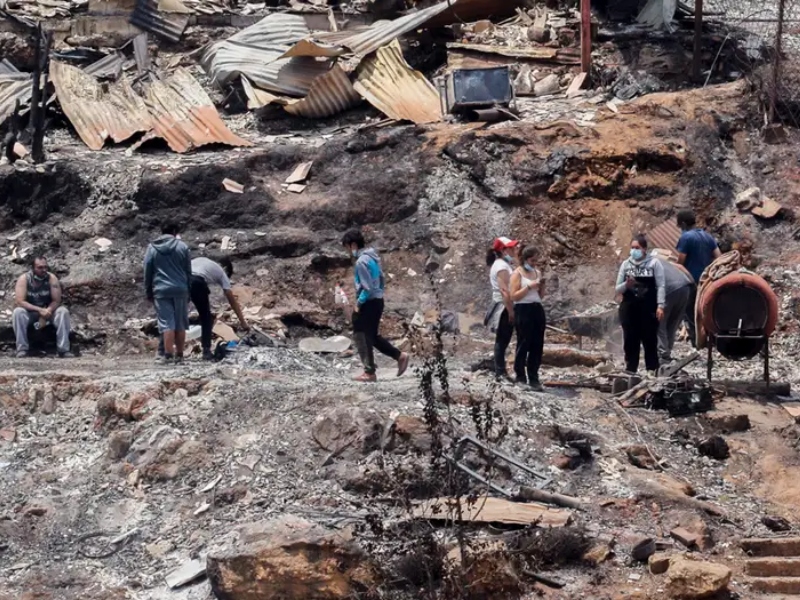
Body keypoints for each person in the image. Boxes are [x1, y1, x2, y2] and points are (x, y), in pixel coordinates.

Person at [341, 229, 409, 382]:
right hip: (377, 301)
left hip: (368, 302)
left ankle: (369, 372)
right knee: (372, 336)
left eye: (347, 247)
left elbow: (367, 287)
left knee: (361, 335)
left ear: (353, 245)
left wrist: (359, 303)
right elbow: (381, 279)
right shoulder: (372, 258)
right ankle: (399, 356)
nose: (347, 251)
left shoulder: (361, 262)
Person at [157, 256, 250, 360]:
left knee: (173, 316)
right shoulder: (221, 271)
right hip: (196, 281)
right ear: (225, 268)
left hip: (178, 280)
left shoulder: (200, 260)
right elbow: (232, 301)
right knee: (206, 317)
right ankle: (206, 351)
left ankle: (162, 351)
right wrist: (243, 323)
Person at [615, 235, 665, 374]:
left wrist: (661, 305)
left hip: (648, 308)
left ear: (644, 249)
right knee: (630, 340)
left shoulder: (654, 264)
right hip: (629, 309)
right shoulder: (626, 265)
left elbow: (661, 286)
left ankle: (652, 370)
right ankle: (630, 370)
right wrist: (627, 284)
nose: (634, 251)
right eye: (632, 248)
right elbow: (618, 289)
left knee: (649, 340)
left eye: (637, 248)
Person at [144, 223, 192, 363]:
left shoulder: (152, 248)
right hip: (180, 289)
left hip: (161, 290)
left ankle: (168, 355)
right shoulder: (182, 247)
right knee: (180, 323)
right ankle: (180, 355)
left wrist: (148, 290)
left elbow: (148, 270)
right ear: (174, 231)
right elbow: (188, 271)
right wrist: (188, 289)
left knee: (167, 323)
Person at [675, 209, 721, 346]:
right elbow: (719, 257)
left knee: (690, 311)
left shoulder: (686, 238)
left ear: (683, 224)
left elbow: (681, 262)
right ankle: (712, 338)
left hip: (691, 281)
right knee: (708, 309)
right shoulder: (708, 236)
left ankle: (697, 341)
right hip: (708, 281)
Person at [13, 256, 73, 358]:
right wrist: (39, 310)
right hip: (31, 312)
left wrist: (48, 310)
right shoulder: (24, 279)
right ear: (33, 268)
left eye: (45, 267)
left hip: (48, 311)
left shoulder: (51, 278)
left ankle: (63, 349)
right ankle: (22, 349)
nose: (43, 270)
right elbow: (20, 301)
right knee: (18, 312)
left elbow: (56, 300)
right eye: (40, 268)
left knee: (63, 311)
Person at [509, 246, 546, 391]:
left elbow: (541, 296)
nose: (534, 263)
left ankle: (534, 377)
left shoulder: (537, 272)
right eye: (532, 260)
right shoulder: (517, 274)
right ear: (525, 259)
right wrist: (529, 287)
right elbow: (514, 295)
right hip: (523, 309)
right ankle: (520, 376)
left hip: (537, 308)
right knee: (524, 342)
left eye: (536, 260)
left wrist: (542, 286)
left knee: (537, 345)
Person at [484, 237, 519, 380]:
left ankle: (501, 370)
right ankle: (500, 372)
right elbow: (505, 291)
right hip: (504, 306)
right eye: (511, 248)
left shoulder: (503, 264)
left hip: (505, 304)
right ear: (503, 250)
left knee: (503, 339)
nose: (514, 250)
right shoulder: (502, 267)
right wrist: (510, 311)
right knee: (502, 340)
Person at [653, 255, 694, 362]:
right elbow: (681, 267)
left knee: (658, 323)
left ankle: (663, 356)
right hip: (685, 287)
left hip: (669, 289)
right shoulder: (661, 261)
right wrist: (694, 287)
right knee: (673, 323)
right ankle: (667, 354)